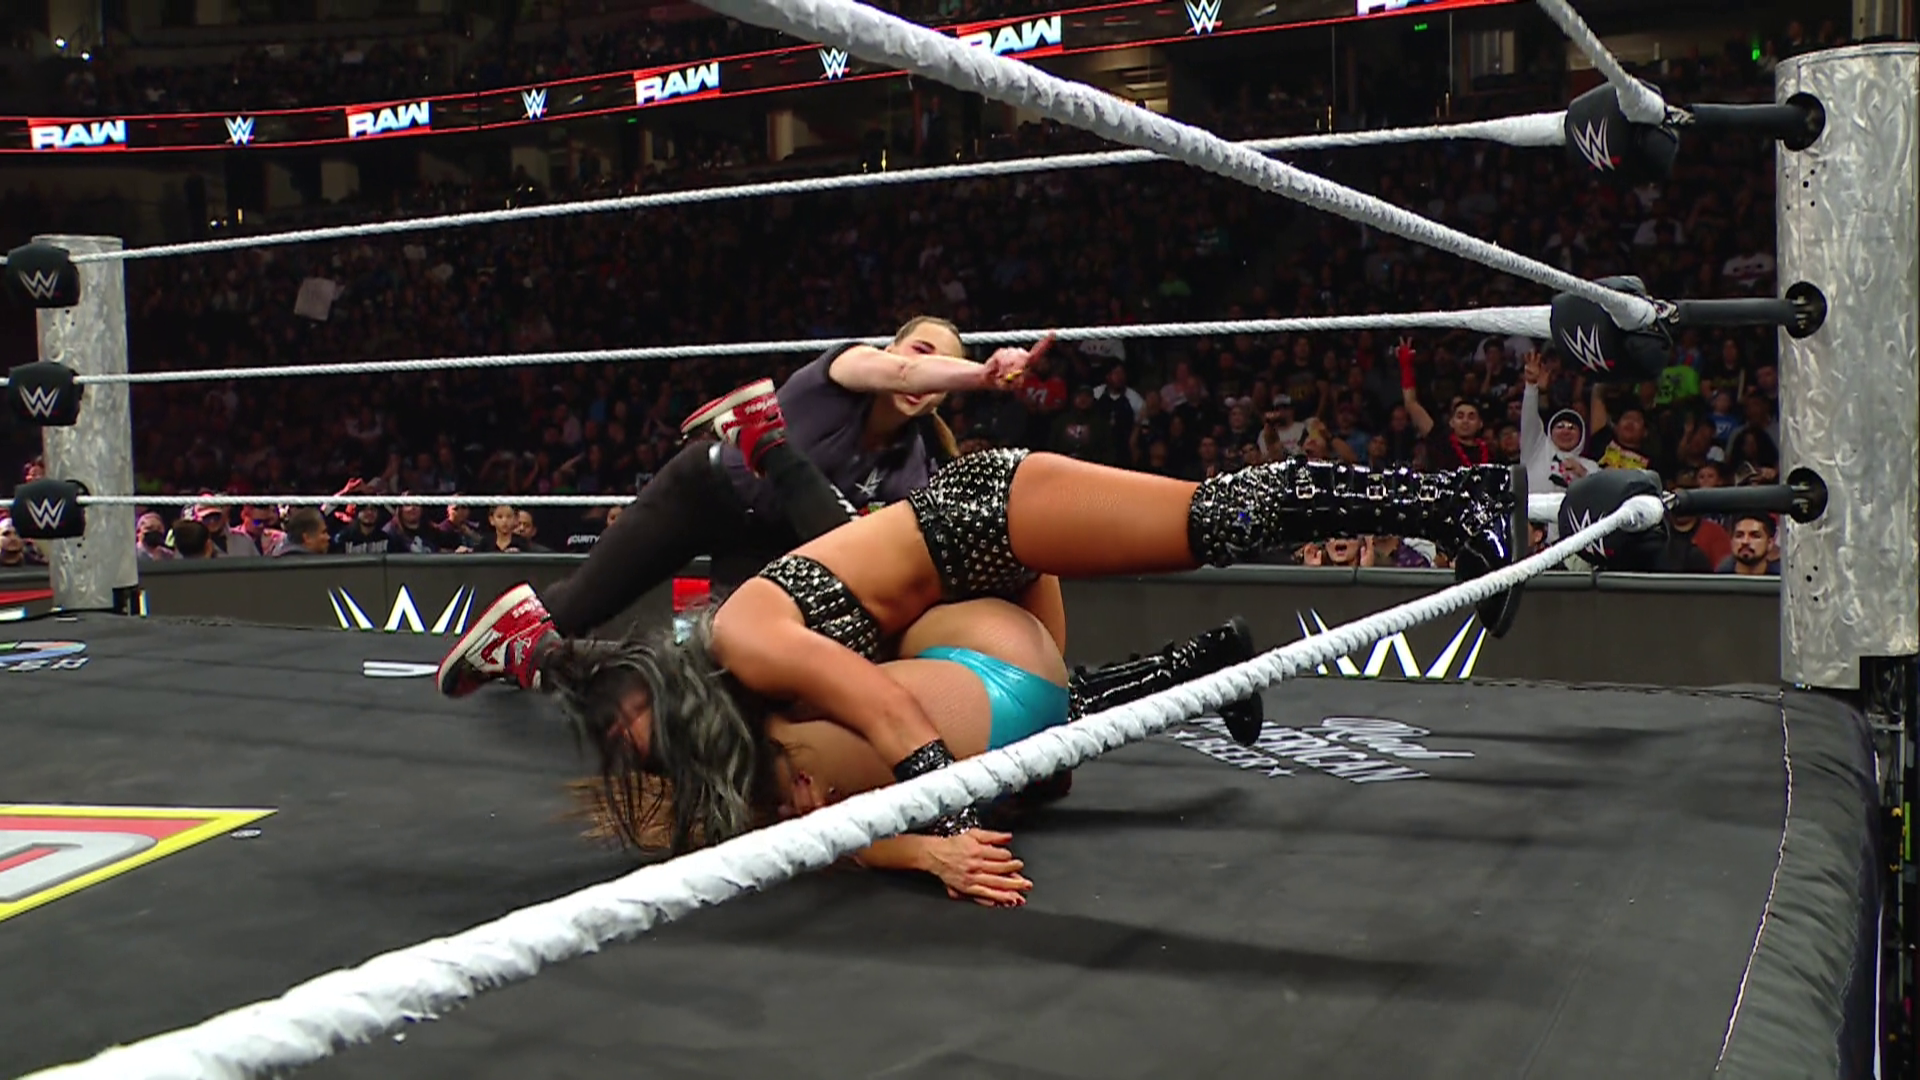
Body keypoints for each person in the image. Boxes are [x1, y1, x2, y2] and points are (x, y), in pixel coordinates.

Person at [472, 421, 1526, 852]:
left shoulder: (746, 639)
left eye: (631, 731)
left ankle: (1451, 497)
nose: (636, 752)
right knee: (1042, 739)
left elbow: (890, 713)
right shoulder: (744, 699)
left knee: (1204, 520)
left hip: (980, 517)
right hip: (968, 600)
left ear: (665, 687)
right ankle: (1203, 666)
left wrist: (949, 824)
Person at [442, 320, 1270, 740]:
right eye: (921, 354)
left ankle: (762, 446)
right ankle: (522, 644)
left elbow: (865, 562)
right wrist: (980, 372)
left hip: (778, 551)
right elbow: (900, 368)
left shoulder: (922, 466)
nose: (921, 375)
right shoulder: (841, 372)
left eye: (938, 372)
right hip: (708, 490)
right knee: (577, 606)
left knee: (730, 677)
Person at [556, 596, 1256, 905]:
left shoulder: (757, 727)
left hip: (991, 683)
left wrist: (936, 845)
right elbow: (827, 832)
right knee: (1041, 716)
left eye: (622, 724)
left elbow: (833, 835)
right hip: (1003, 672)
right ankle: (1203, 662)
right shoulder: (738, 714)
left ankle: (1204, 664)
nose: (621, 744)